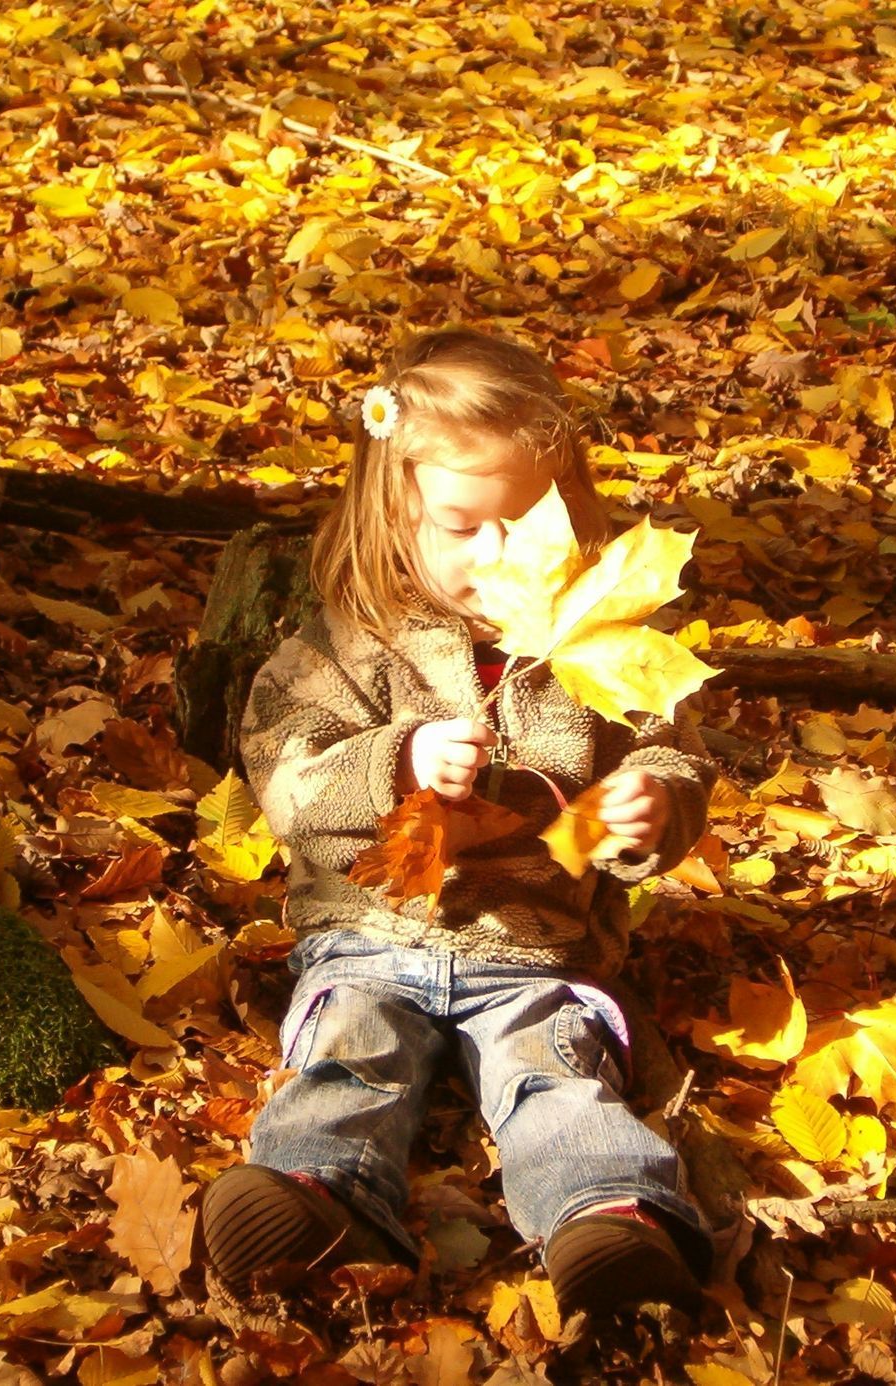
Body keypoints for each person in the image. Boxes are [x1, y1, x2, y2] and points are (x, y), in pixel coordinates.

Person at [200, 327, 716, 1316]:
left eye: (526, 526)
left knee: (554, 1073)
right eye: (461, 525)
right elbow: (287, 778)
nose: (496, 557)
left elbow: (669, 748)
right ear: (393, 512)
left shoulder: (601, 641)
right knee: (350, 1050)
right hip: (370, 936)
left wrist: (651, 806)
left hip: (537, 949)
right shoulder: (345, 646)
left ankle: (609, 1215)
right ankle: (318, 1191)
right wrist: (394, 760)